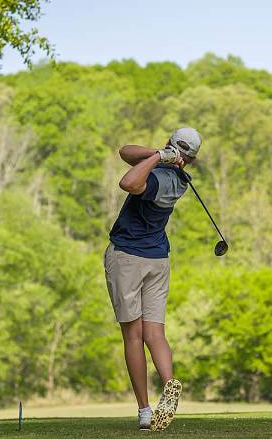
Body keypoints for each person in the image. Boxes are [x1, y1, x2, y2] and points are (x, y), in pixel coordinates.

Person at [103, 126, 201, 432]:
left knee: (133, 336)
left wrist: (159, 155)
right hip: (158, 259)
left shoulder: (160, 178)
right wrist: (161, 155)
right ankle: (170, 384)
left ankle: (145, 410)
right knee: (155, 333)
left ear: (171, 147)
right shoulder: (179, 177)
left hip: (129, 257)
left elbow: (128, 181)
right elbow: (125, 151)